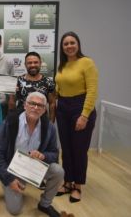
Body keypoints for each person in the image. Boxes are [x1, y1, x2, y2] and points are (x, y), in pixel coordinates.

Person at [0, 92, 64, 217]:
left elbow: (54, 153)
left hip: (34, 167)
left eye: (40, 105)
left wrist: (43, 156)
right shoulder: (10, 122)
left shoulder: (49, 127)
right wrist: (8, 179)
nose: (35, 108)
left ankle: (45, 204)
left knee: (58, 171)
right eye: (32, 103)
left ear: (44, 110)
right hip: (13, 170)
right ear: (25, 105)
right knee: (15, 210)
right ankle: (9, 184)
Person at [55, 31, 98, 203]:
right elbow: (60, 87)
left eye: (72, 42)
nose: (69, 46)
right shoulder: (62, 66)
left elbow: (92, 91)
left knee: (79, 150)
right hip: (63, 108)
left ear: (78, 44)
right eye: (66, 44)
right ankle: (67, 182)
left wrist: (84, 115)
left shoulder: (87, 63)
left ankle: (77, 186)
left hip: (80, 108)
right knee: (66, 148)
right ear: (62, 47)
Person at [9, 51, 56, 122]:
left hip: (41, 121)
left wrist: (51, 123)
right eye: (29, 63)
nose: (33, 65)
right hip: (21, 121)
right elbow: (12, 102)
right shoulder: (18, 81)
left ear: (40, 63)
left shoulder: (48, 82)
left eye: (35, 62)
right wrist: (12, 121)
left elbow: (52, 104)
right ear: (25, 64)